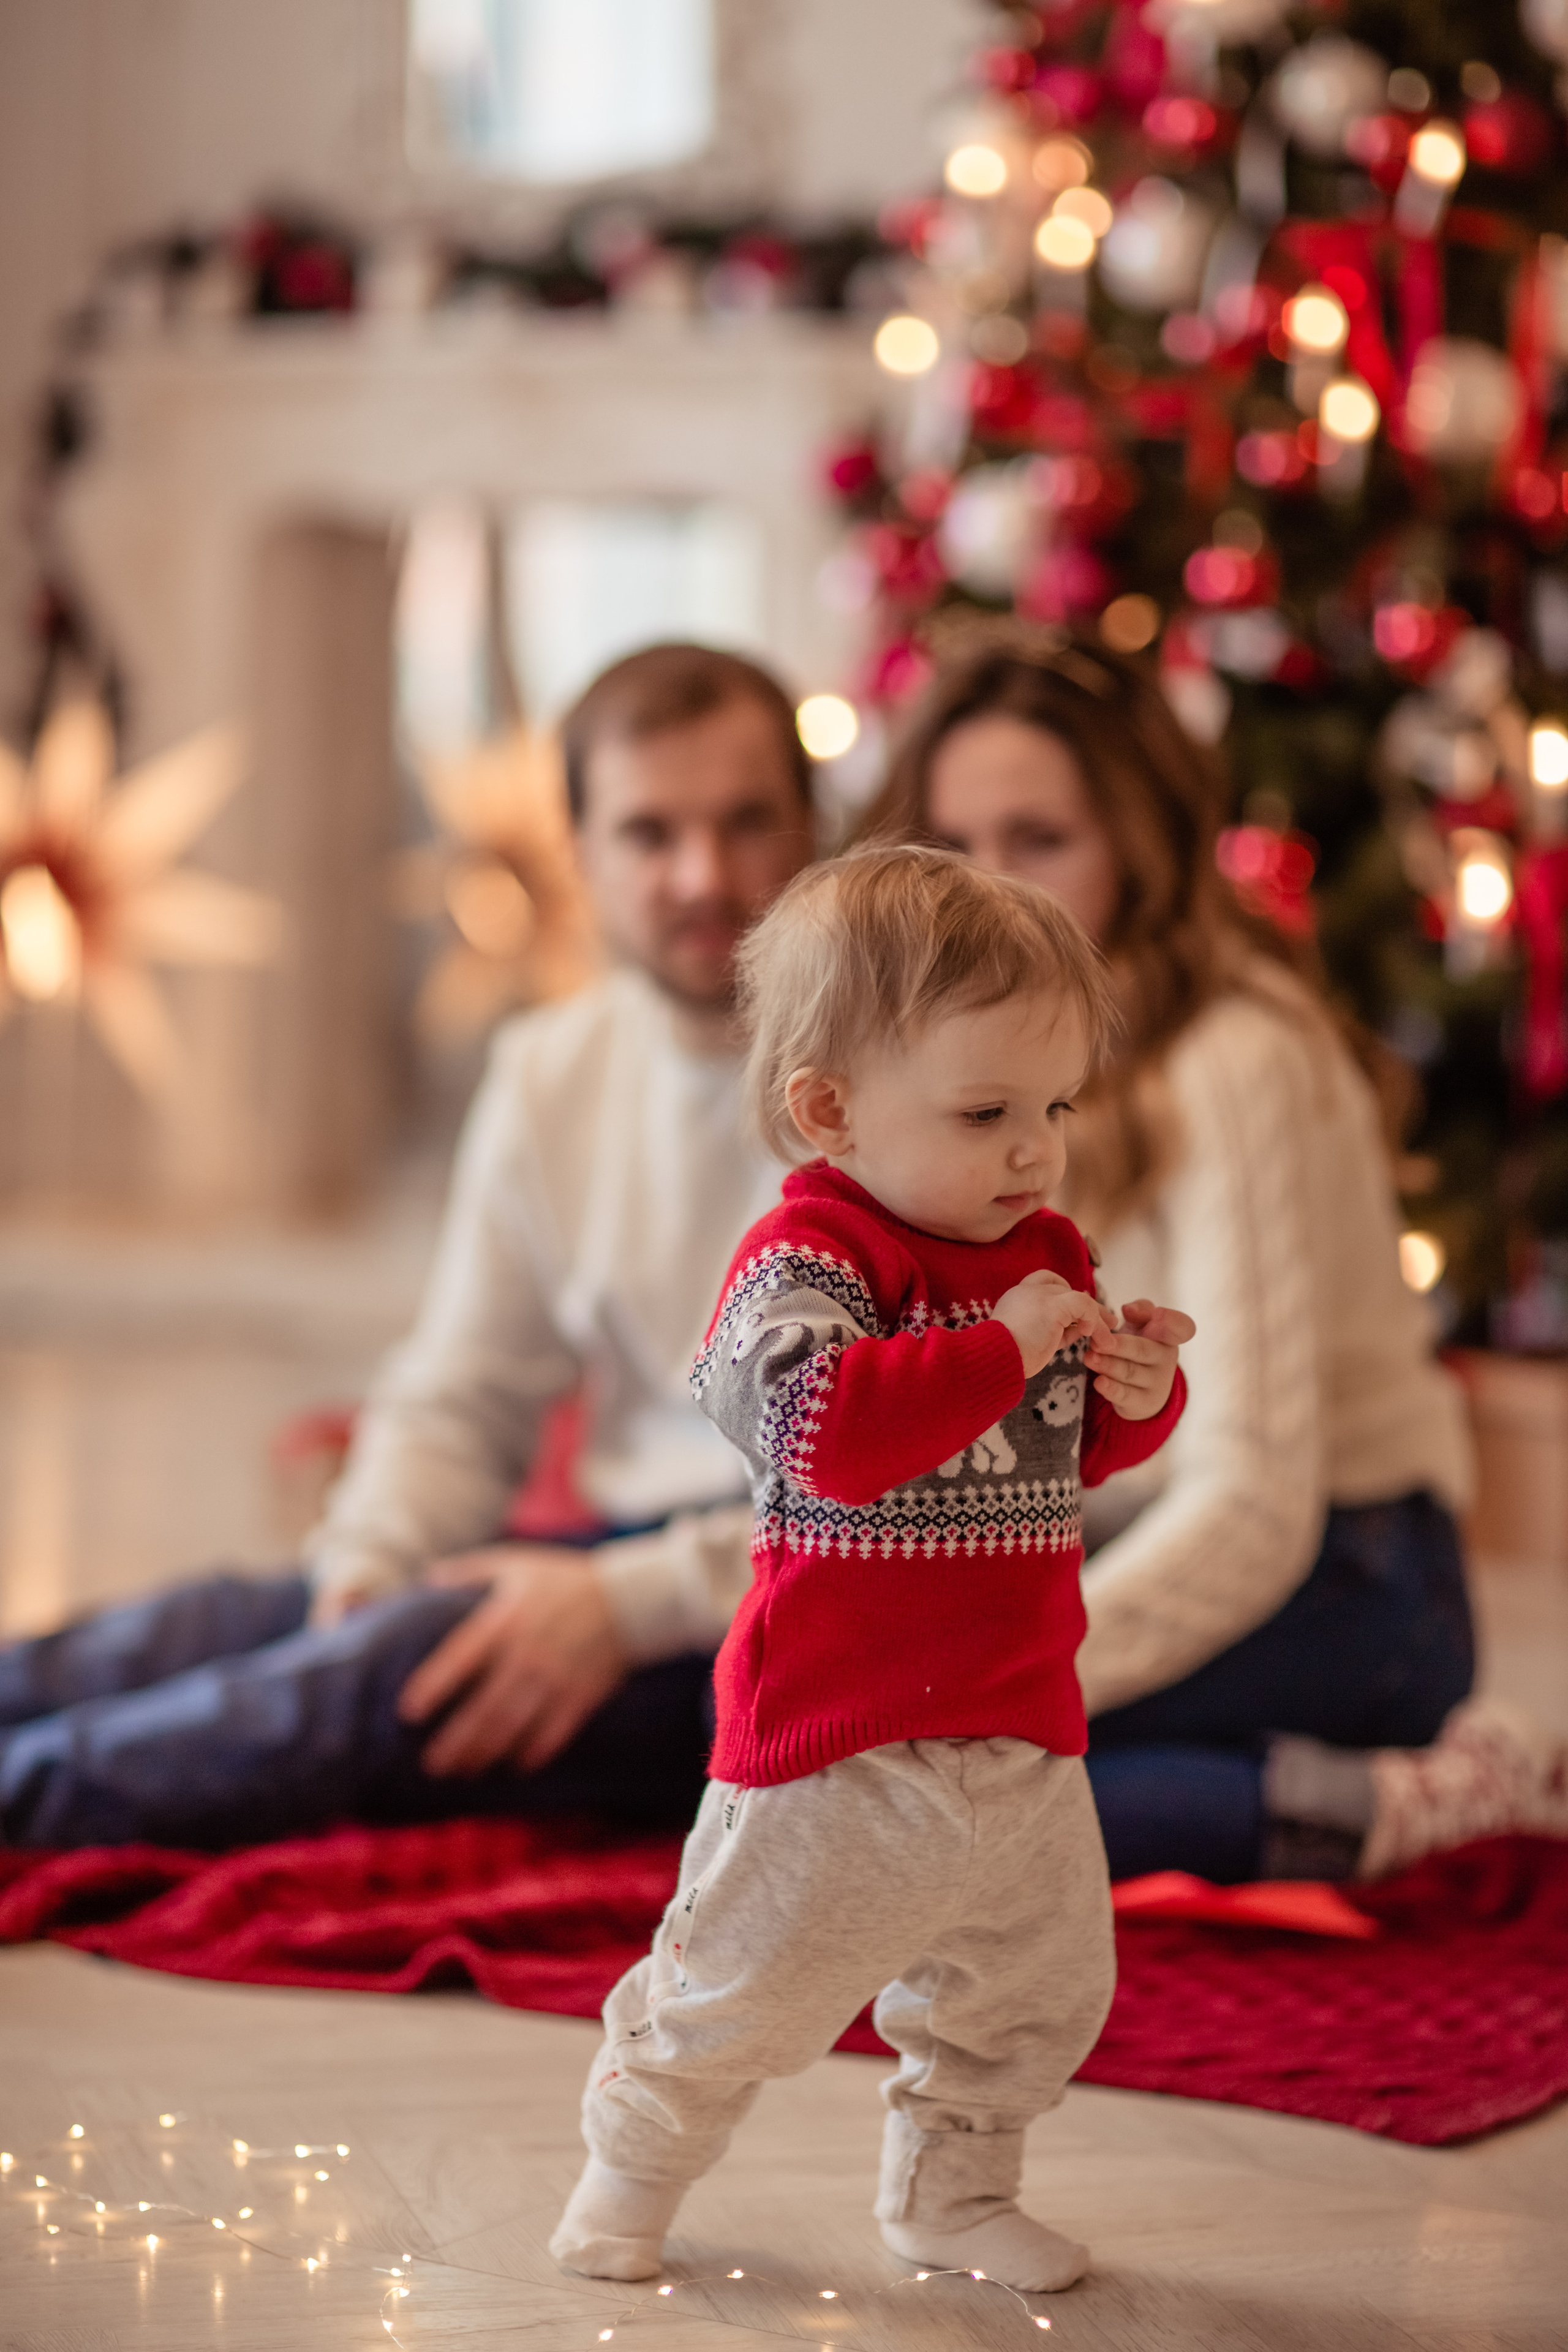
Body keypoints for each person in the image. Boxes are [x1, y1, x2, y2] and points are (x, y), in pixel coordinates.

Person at [0, 643, 813, 1849]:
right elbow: (462, 1393)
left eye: (746, 822)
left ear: (812, 827)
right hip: (601, 1559)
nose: (704, 874)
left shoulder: (895, 1080)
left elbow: (914, 1493)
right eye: (650, 834)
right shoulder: (552, 1070)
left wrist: (612, 1603)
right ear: (579, 852)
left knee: (329, 1701)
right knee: (212, 1622)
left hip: (791, 1612)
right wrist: (365, 1569)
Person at [550, 846, 1192, 2293]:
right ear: (828, 1108)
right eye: (985, 1112)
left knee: (1032, 1996)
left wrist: (1132, 1387)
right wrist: (1009, 1344)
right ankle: (628, 2171)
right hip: (835, 1740)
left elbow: (1067, 1455)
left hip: (1017, 1719)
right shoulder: (805, 1262)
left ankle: (952, 2193)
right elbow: (820, 1435)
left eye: (1053, 1108)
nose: (1034, 1150)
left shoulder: (1036, 1252)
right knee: (740, 1990)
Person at [863, 630, 1568, 1883]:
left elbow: (1249, 1504)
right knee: (829, 1751)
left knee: (918, 1807)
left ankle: (1398, 1798)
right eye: (952, 846)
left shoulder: (1230, 1055)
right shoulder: (973, 1068)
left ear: (1135, 844)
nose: (988, 893)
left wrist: (984, 1695)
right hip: (1124, 1528)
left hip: (1354, 1579)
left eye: (1040, 840)